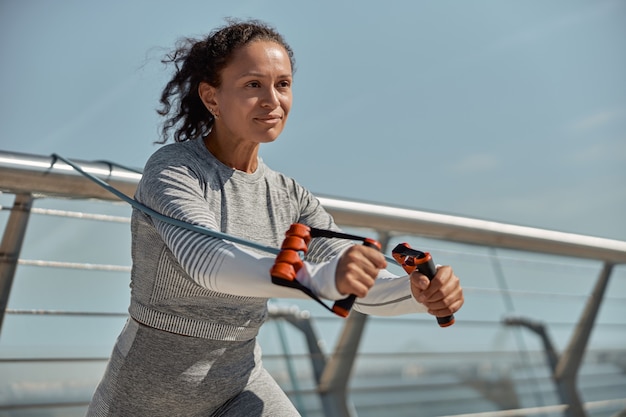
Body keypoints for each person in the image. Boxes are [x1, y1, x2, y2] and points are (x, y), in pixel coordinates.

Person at [87, 19, 464, 417]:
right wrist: (318, 279)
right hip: (146, 397)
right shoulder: (175, 169)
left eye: (282, 84)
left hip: (239, 385)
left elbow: (353, 273)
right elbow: (208, 261)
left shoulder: (289, 196)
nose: (272, 100)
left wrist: (416, 293)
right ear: (211, 97)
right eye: (253, 85)